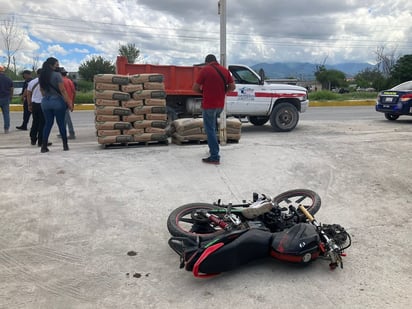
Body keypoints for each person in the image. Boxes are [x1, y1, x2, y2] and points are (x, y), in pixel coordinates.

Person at [192, 54, 236, 165]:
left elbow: (195, 88)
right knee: (213, 127)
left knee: (210, 130)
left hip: (209, 105)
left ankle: (215, 156)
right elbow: (232, 86)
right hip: (220, 106)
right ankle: (213, 150)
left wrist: (204, 92)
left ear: (207, 62)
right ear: (215, 61)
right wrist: (223, 92)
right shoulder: (225, 71)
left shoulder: (205, 70)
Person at [39, 57, 73, 153]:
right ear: (51, 65)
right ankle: (65, 145)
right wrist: (69, 102)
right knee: (61, 123)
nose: (58, 66)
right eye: (56, 65)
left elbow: (41, 91)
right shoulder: (57, 75)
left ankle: (44, 146)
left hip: (45, 102)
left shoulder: (41, 76)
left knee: (48, 124)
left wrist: (47, 96)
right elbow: (62, 90)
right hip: (57, 101)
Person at [27, 68, 51, 147]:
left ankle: (33, 139)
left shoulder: (31, 82)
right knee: (43, 123)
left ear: (37, 74)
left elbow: (28, 94)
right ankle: (41, 141)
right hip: (43, 104)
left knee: (35, 122)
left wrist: (29, 104)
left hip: (34, 104)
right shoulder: (46, 82)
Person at [58, 67, 76, 139]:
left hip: (62, 101)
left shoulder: (60, 81)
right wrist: (72, 102)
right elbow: (74, 92)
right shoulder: (69, 81)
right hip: (69, 101)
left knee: (66, 118)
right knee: (64, 118)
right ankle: (62, 132)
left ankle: (72, 133)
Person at [0, 65, 13, 134]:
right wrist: (11, 96)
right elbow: (11, 89)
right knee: (6, 114)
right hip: (6, 98)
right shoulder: (8, 79)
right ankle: (6, 129)